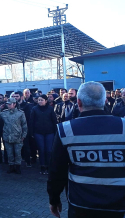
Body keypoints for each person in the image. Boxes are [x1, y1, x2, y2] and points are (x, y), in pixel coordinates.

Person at [48, 81, 125, 218]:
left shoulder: (66, 130)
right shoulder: (123, 126)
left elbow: (57, 171)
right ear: (105, 101)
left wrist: (54, 200)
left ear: (78, 102)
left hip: (81, 205)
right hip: (119, 205)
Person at [0, 98, 28, 174]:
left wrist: (24, 135)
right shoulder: (4, 113)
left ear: (14, 104)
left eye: (10, 104)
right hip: (7, 136)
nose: (8, 105)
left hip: (18, 137)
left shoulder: (20, 113)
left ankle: (18, 167)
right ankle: (11, 166)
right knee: (9, 153)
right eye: (7, 104)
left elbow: (24, 125)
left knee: (17, 153)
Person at [29, 95, 57, 174]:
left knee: (49, 150)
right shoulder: (34, 109)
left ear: (46, 101)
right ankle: (42, 166)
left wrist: (56, 132)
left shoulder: (50, 109)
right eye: (39, 100)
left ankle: (49, 166)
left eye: (42, 100)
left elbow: (54, 121)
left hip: (49, 132)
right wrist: (31, 133)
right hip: (38, 132)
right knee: (41, 149)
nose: (40, 101)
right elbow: (31, 121)